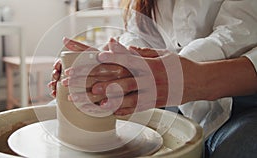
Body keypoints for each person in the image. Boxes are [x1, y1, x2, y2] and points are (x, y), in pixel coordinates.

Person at [48, 0, 257, 157]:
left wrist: (174, 73)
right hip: (175, 95)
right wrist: (103, 66)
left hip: (241, 95)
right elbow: (138, 37)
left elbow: (238, 33)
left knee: (240, 146)